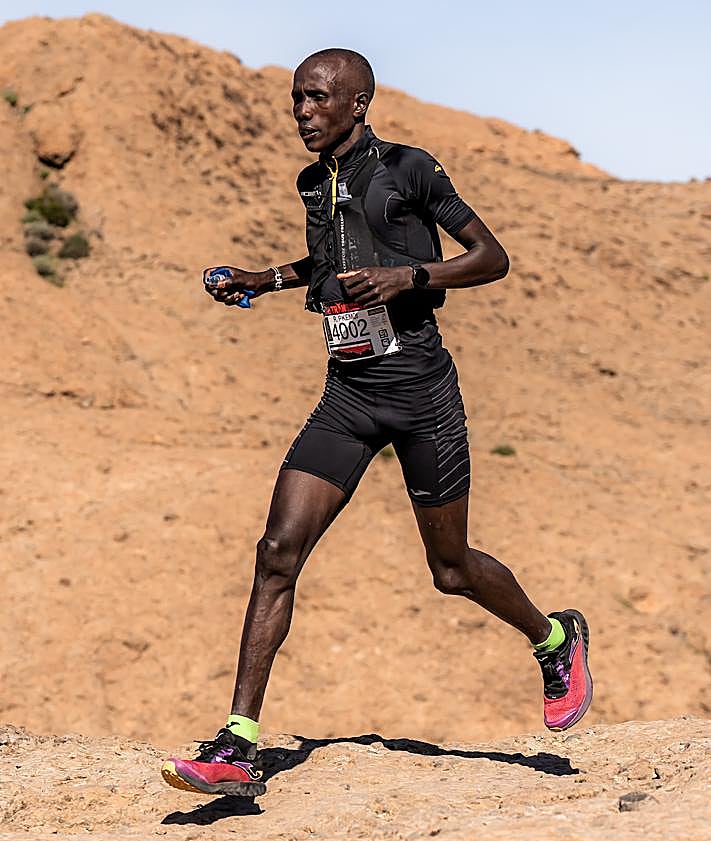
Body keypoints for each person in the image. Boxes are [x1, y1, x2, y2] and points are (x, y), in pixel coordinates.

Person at [161, 48, 593, 797]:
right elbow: (329, 260)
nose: (303, 111)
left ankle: (553, 639)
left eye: (318, 98)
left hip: (421, 391)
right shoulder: (311, 181)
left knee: (450, 569)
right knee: (276, 550)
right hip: (348, 394)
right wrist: (266, 279)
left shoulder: (409, 168)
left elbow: (490, 257)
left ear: (358, 101)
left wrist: (408, 277)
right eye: (296, 98)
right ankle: (238, 745)